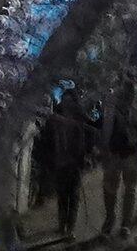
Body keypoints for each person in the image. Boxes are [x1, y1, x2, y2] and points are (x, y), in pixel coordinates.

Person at [40, 79, 99, 241]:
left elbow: (89, 134)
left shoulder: (60, 115)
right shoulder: (75, 114)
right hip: (67, 163)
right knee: (68, 196)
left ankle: (66, 227)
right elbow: (91, 132)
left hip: (68, 163)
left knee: (68, 196)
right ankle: (66, 227)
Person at [97, 69, 137, 237]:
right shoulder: (112, 97)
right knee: (110, 186)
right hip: (114, 148)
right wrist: (104, 147)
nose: (128, 86)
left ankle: (125, 223)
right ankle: (111, 218)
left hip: (132, 149)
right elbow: (106, 124)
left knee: (129, 188)